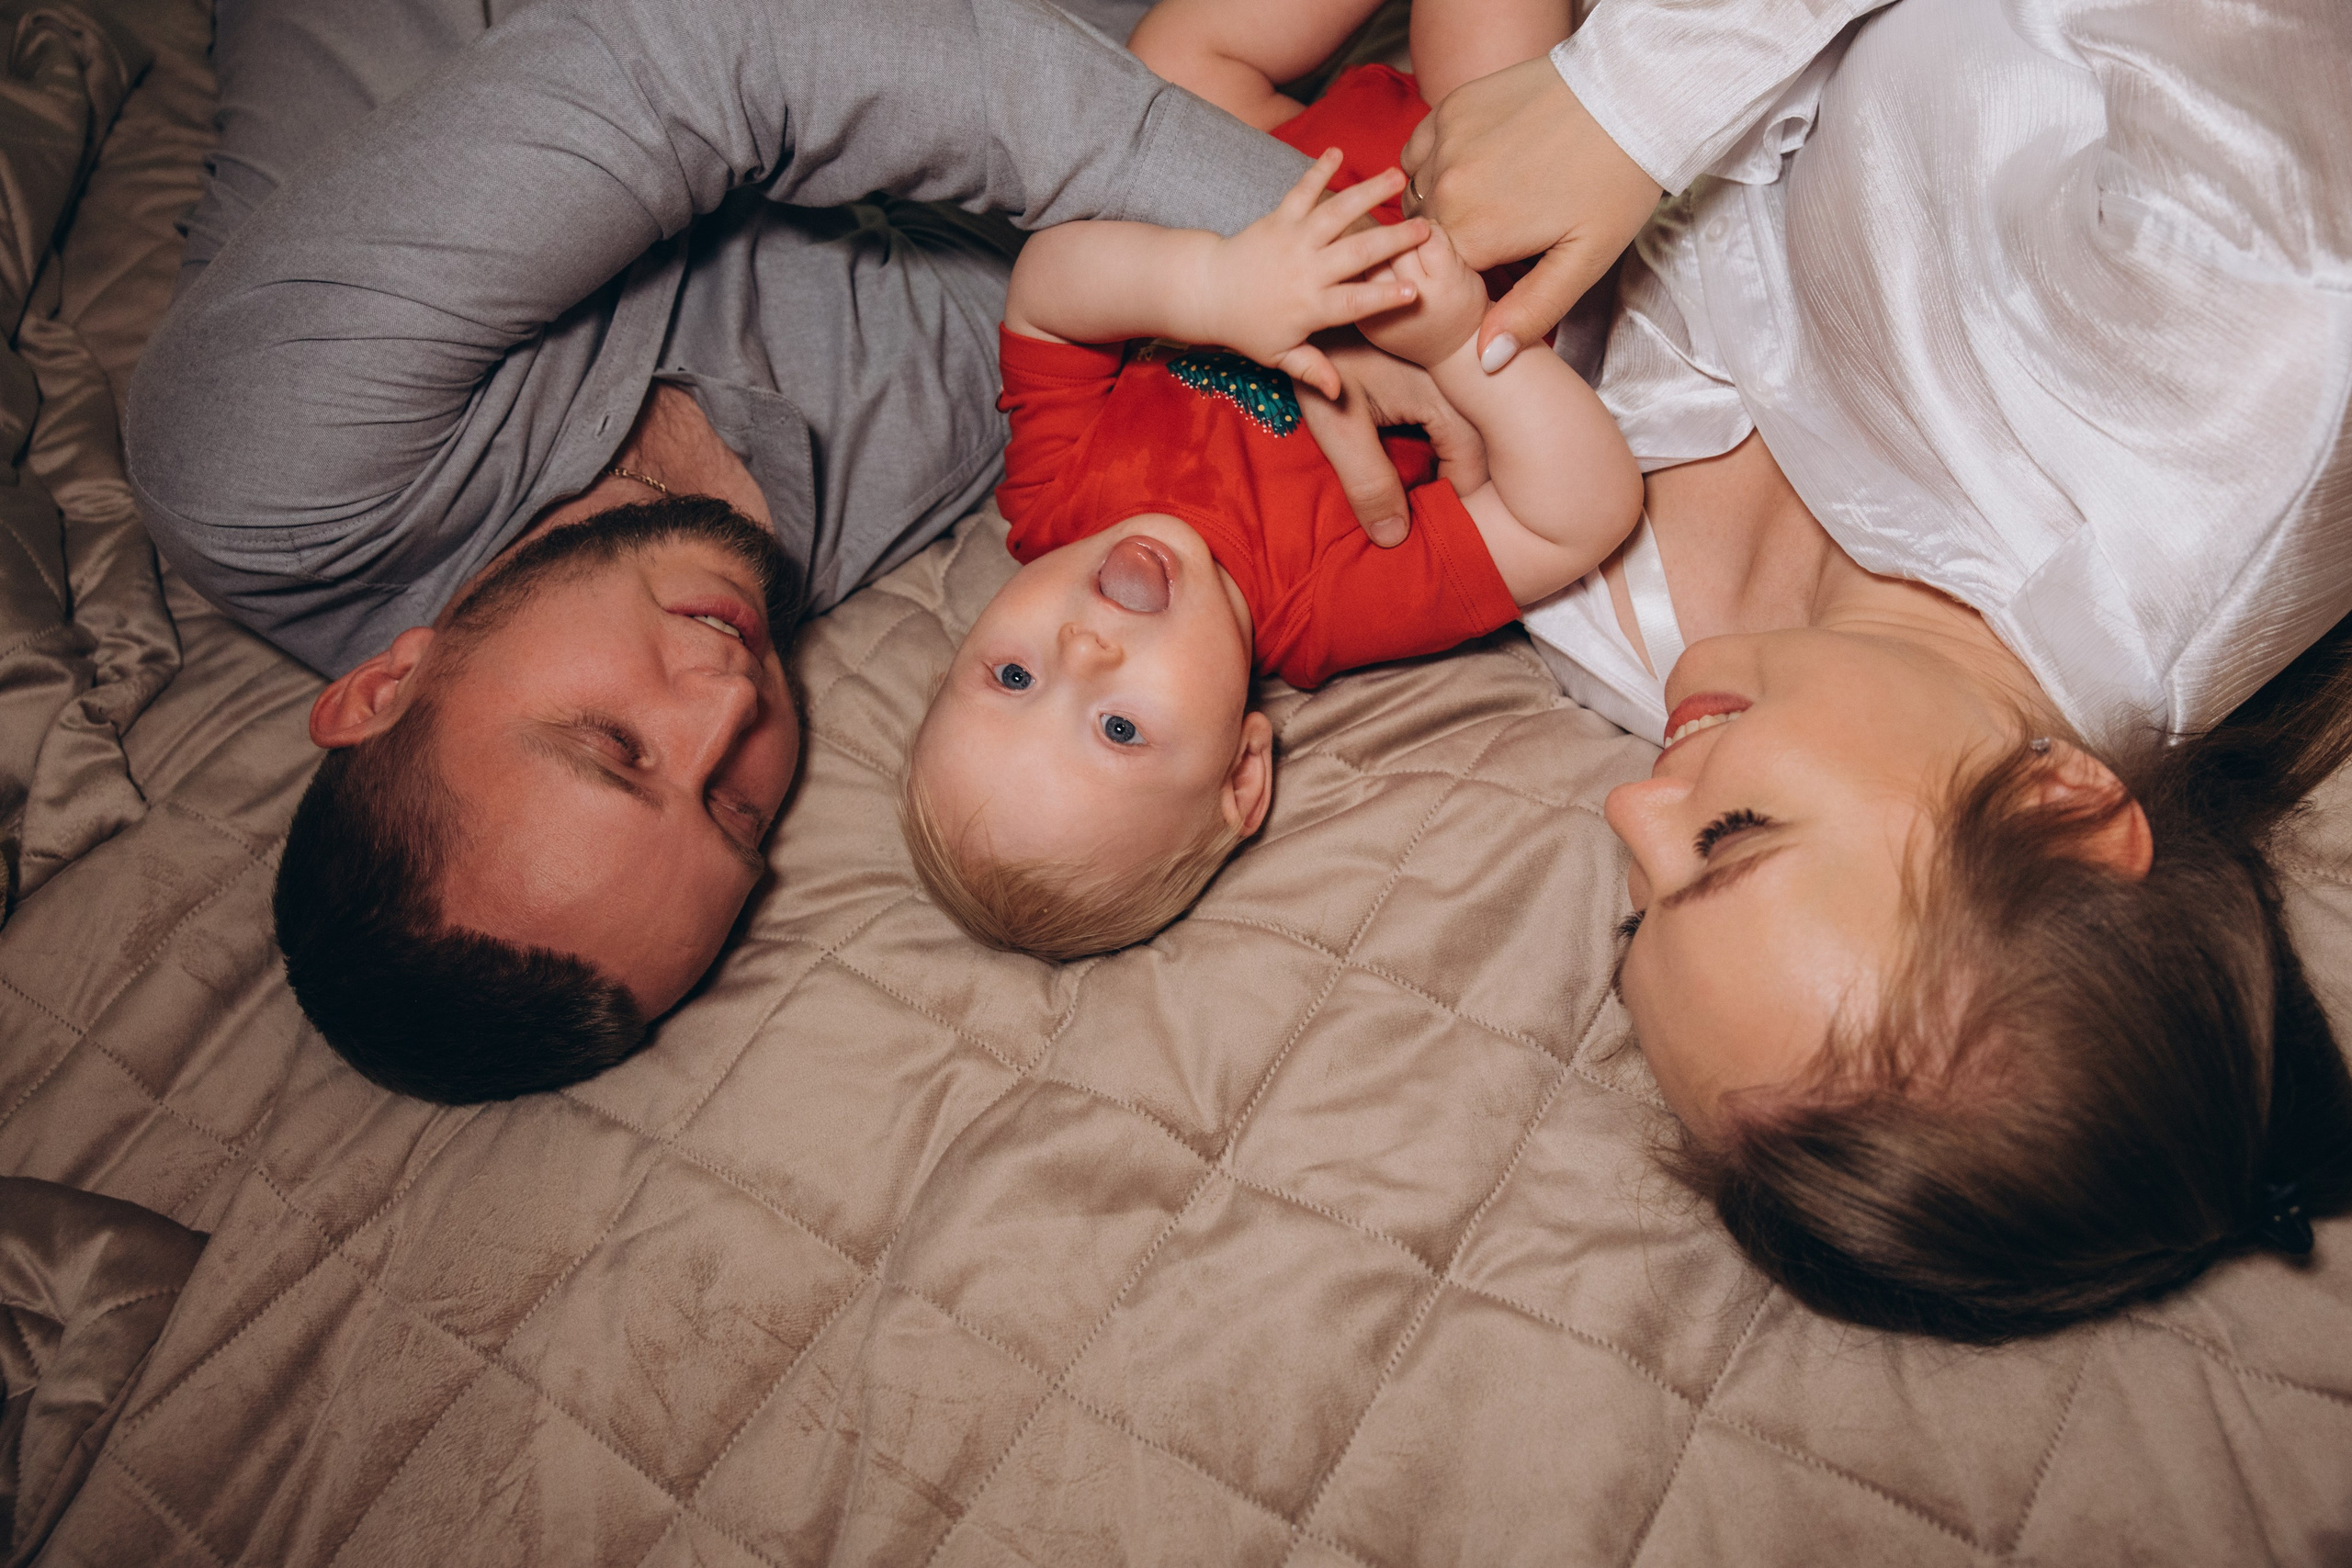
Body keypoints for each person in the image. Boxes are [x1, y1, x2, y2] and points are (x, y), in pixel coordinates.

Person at [1339, 0, 2352, 1339]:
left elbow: (1474, 164)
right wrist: (1636, 98)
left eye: (1642, 908)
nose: (1631, 808)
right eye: (1732, 838)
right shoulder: (2249, 366)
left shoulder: (1611, 630)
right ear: (2062, 806)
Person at [125, 0, 1322, 1102]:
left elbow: (736, 51)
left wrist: (1380, 284)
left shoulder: (267, 469)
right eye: (732, 812)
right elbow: (1088, 226)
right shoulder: (890, 480)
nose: (728, 699)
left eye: (615, 746)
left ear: (387, 684)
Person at [901, 0, 1639, 959]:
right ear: (1242, 771)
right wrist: (1452, 342)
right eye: (1119, 729)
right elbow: (1578, 515)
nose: (1082, 651)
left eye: (1010, 675)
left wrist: (1206, 289)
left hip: (1264, 181)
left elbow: (1047, 297)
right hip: (1459, 197)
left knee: (1168, 63)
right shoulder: (1323, 606)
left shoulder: (1050, 508)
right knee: (1479, 55)